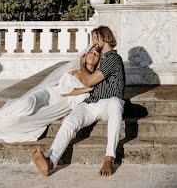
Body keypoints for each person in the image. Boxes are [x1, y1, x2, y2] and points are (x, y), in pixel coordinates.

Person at [0, 46, 101, 145]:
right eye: (91, 52)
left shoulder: (95, 77)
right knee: (27, 104)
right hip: (50, 94)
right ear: (85, 55)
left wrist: (86, 89)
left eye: (96, 54)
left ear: (99, 59)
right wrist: (86, 89)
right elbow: (64, 91)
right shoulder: (74, 70)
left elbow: (78, 99)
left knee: (21, 120)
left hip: (59, 107)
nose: (93, 55)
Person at [32, 25, 125, 177]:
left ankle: (109, 157)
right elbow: (88, 78)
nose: (93, 42)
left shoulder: (113, 58)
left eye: (96, 38)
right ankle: (50, 161)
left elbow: (89, 81)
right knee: (69, 121)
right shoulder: (102, 58)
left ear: (105, 37)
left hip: (110, 103)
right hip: (92, 102)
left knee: (115, 103)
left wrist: (81, 64)